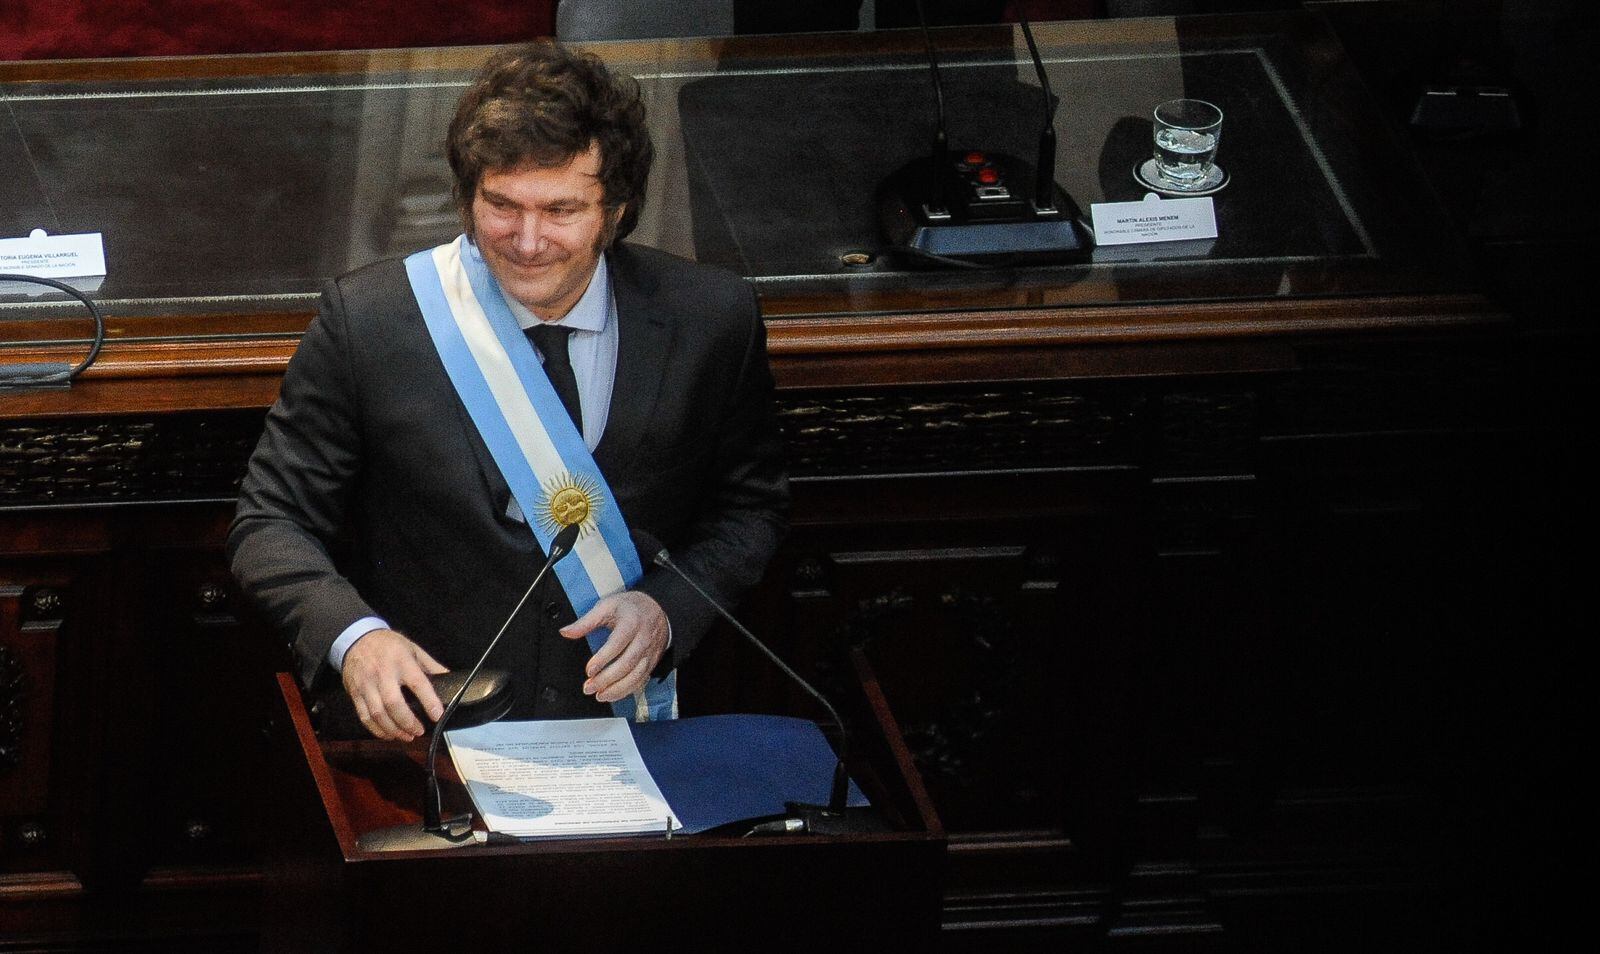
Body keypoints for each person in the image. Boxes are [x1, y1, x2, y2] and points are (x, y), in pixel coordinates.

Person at [228, 41, 788, 742]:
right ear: (467, 195)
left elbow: (750, 509)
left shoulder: (711, 319)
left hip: (630, 731)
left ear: (615, 210)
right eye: (501, 205)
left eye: (561, 210)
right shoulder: (371, 322)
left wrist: (670, 607)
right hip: (429, 736)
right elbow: (270, 522)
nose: (527, 241)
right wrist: (357, 638)